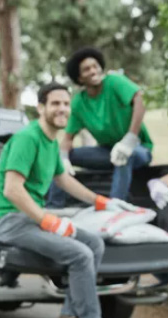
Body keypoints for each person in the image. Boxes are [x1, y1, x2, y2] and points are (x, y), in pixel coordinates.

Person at [0, 82, 133, 318]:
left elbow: (63, 179)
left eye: (66, 104)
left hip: (30, 220)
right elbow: (12, 190)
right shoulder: (28, 138)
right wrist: (49, 221)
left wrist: (100, 201)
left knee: (94, 242)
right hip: (9, 221)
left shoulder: (51, 140)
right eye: (55, 103)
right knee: (80, 254)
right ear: (41, 107)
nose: (62, 109)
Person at [47, 47, 153, 207]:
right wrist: (63, 157)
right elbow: (68, 138)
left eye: (95, 66)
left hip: (138, 149)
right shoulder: (79, 103)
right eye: (86, 69)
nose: (93, 71)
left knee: (124, 157)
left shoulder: (114, 82)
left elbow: (140, 99)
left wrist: (130, 140)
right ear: (80, 78)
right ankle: (53, 207)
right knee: (60, 159)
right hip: (107, 152)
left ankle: (115, 207)